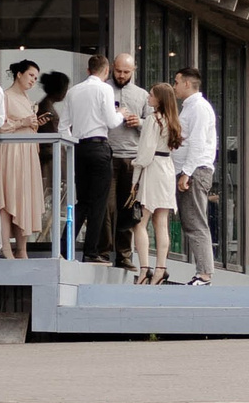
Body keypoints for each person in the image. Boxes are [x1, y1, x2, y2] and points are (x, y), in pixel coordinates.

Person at [61, 54, 119, 264]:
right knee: (99, 202)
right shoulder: (105, 89)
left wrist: (72, 147)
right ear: (106, 71)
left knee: (82, 202)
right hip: (99, 146)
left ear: (88, 70)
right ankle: (91, 251)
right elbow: (112, 122)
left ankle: (64, 248)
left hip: (79, 148)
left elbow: (63, 127)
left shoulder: (73, 91)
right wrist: (121, 113)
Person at [0, 59, 45, 259]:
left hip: (28, 152)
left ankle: (22, 248)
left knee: (24, 197)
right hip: (12, 152)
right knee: (9, 196)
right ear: (19, 74)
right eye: (31, 75)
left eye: (36, 78)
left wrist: (33, 122)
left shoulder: (26, 98)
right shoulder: (5, 96)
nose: (33, 80)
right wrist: (22, 122)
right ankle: (6, 247)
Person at [134, 81, 182, 283]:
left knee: (140, 221)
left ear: (159, 99)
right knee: (161, 222)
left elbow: (145, 153)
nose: (148, 97)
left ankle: (145, 269)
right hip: (167, 169)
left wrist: (135, 175)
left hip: (153, 168)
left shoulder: (153, 120)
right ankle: (161, 268)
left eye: (152, 94)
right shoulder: (173, 121)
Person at [175, 66, 219, 284]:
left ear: (186, 83)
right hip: (191, 170)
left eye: (176, 82)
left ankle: (204, 274)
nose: (174, 87)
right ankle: (203, 273)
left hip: (195, 170)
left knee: (195, 221)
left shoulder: (199, 108)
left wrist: (186, 172)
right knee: (191, 220)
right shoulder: (189, 108)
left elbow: (198, 143)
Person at [108, 54, 151, 269]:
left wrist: (139, 122)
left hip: (131, 157)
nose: (122, 76)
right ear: (112, 68)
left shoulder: (142, 95)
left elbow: (154, 125)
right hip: (107, 154)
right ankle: (103, 253)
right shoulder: (103, 90)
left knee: (127, 208)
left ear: (133, 70)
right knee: (107, 207)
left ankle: (124, 256)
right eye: (118, 71)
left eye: (126, 72)